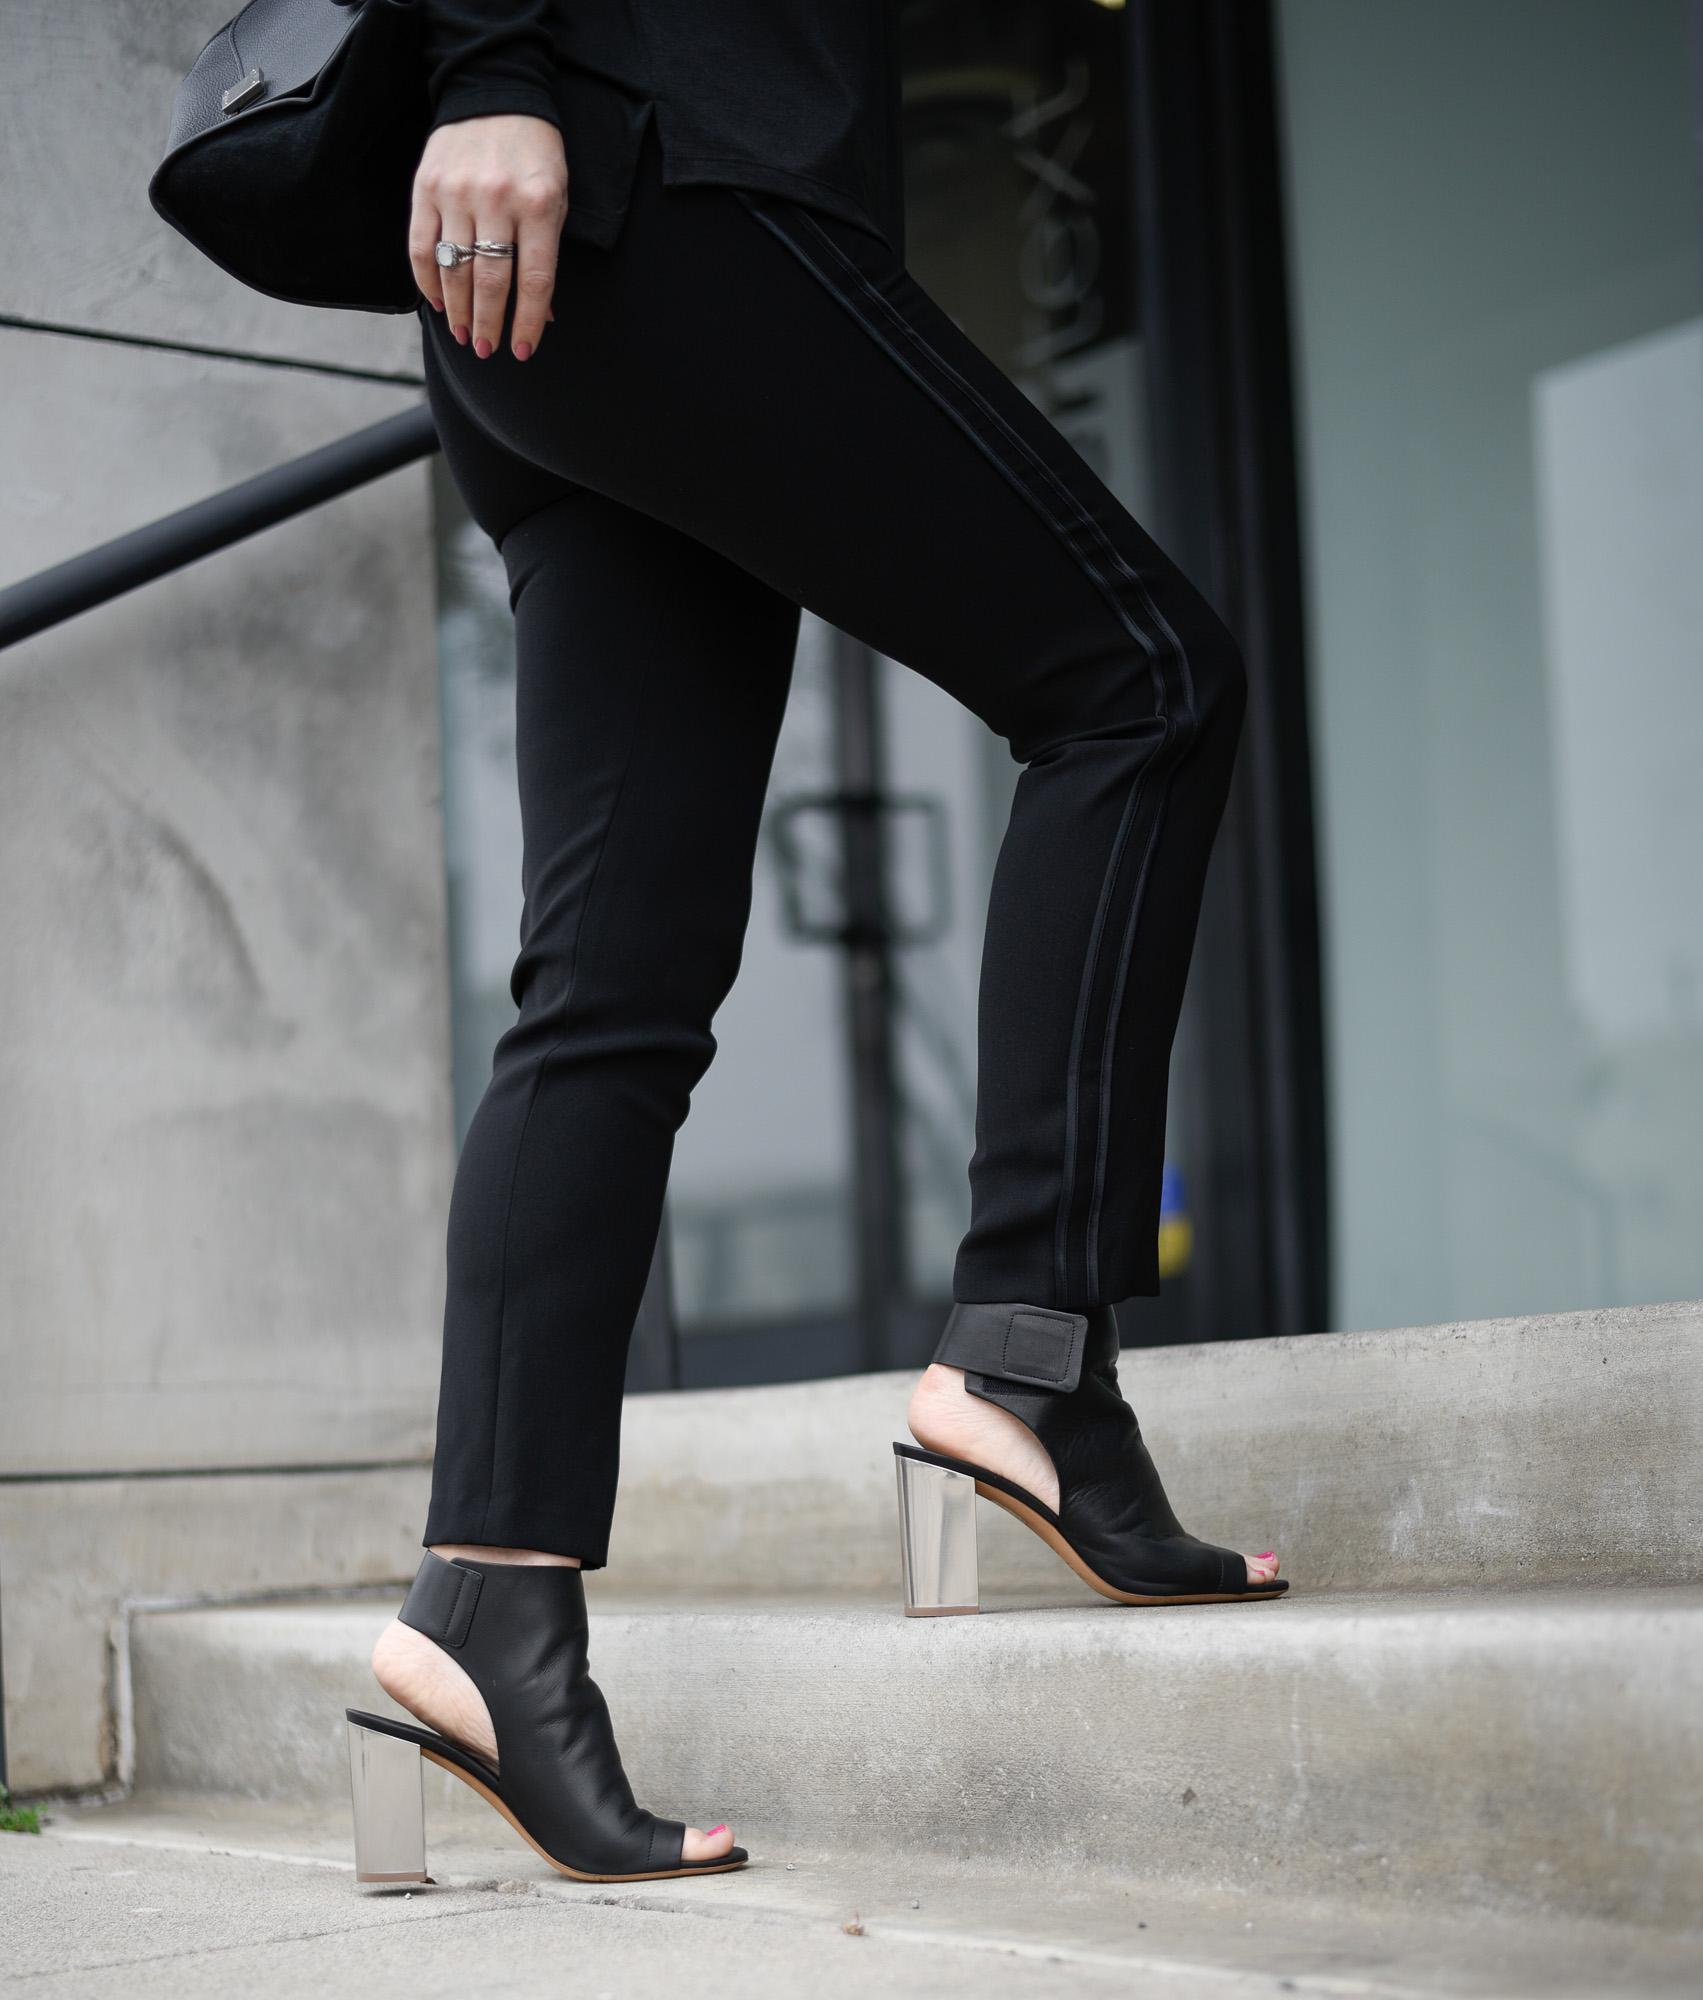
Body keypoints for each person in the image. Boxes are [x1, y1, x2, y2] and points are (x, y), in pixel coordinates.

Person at [361, 0, 1283, 1884]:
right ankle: (1027, 1359)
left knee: (610, 982)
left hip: (570, 265)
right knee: (1144, 678)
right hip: (662, 187)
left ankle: (485, 1604)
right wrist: (492, 70)